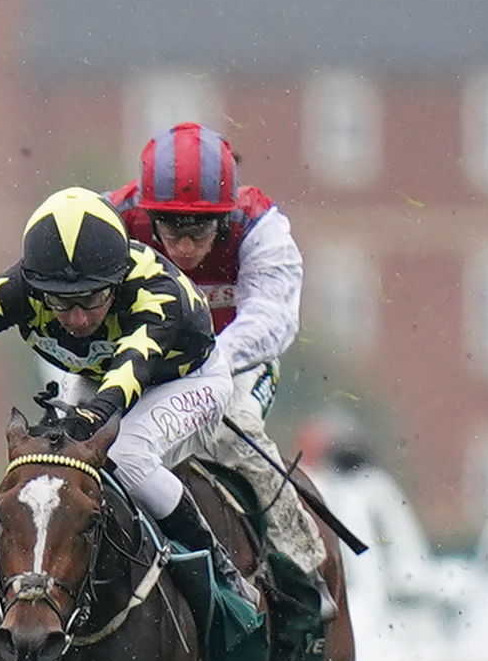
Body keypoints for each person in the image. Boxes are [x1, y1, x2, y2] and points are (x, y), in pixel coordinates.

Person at [0, 187, 254, 645]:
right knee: (37, 470)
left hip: (185, 379)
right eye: (60, 302)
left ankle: (220, 569)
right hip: (101, 378)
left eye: (92, 299)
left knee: (125, 455)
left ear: (117, 282)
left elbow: (131, 372)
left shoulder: (156, 294)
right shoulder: (19, 290)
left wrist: (88, 420)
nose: (77, 318)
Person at [108, 121, 334, 626]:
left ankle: (301, 572)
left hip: (238, 365)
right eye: (171, 228)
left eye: (201, 229)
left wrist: (204, 364)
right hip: (140, 363)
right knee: (60, 448)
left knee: (237, 435)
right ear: (147, 214)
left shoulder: (262, 228)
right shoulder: (111, 221)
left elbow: (273, 319)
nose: (185, 247)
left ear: (227, 217)